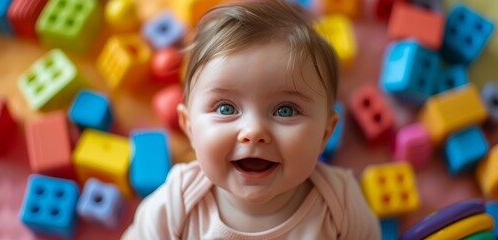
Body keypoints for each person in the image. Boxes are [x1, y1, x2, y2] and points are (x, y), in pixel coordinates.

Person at [122, 1, 380, 239]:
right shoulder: (178, 201)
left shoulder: (340, 203)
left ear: (325, 133)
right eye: (225, 108)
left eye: (285, 110)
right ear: (189, 126)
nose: (254, 131)